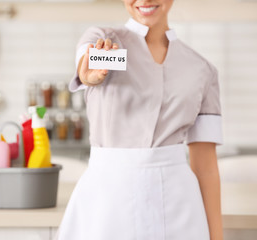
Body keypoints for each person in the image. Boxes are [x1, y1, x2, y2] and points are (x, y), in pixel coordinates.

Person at [55, 0, 224, 240]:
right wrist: (89, 74)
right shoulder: (105, 41)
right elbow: (87, 65)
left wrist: (216, 237)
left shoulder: (202, 70)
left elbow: (206, 168)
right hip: (107, 202)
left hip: (179, 205)